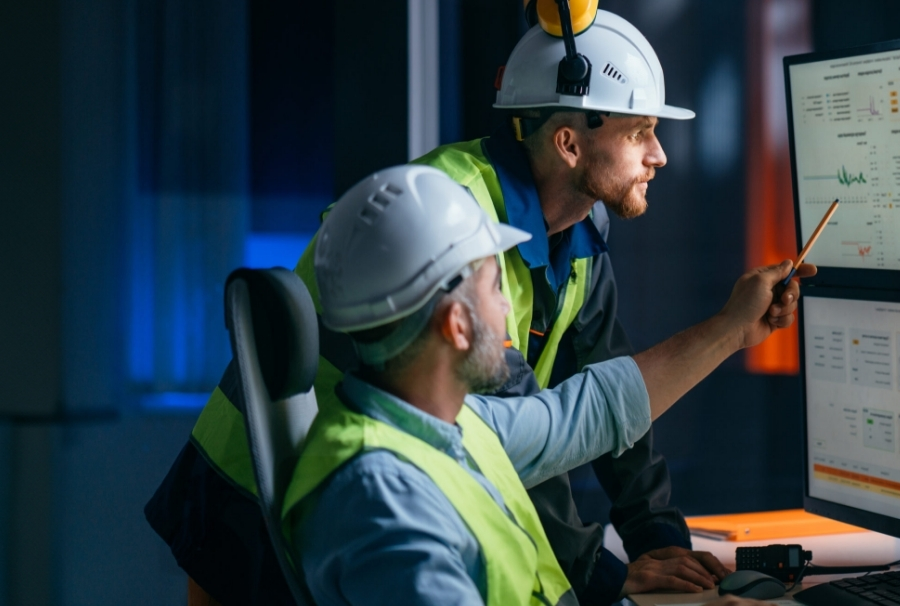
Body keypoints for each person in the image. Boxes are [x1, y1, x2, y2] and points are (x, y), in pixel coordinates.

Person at [145, 6, 778, 605]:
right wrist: (603, 577)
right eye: (640, 132)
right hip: (263, 488)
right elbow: (524, 444)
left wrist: (658, 542)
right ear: (569, 142)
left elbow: (600, 404)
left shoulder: (578, 232)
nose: (659, 154)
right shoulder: (448, 225)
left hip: (383, 475)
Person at [288, 163, 811, 605]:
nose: (508, 308)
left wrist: (732, 330)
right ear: (457, 325)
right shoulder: (384, 500)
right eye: (496, 287)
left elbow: (586, 414)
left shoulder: (445, 426)